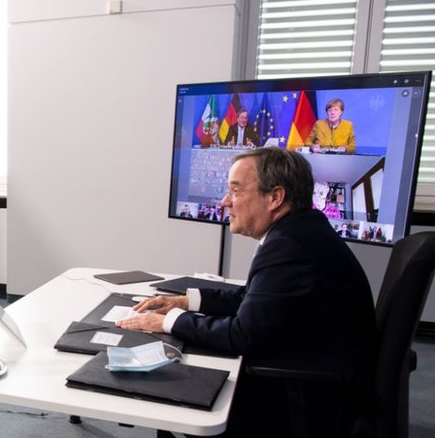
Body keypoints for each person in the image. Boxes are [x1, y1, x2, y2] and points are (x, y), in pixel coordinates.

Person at [117, 147, 376, 437]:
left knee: (169, 385)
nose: (226, 202)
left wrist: (168, 321)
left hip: (304, 396)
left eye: (236, 191)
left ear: (275, 198)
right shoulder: (301, 231)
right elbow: (251, 299)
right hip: (316, 369)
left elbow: (243, 335)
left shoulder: (290, 247)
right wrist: (185, 301)